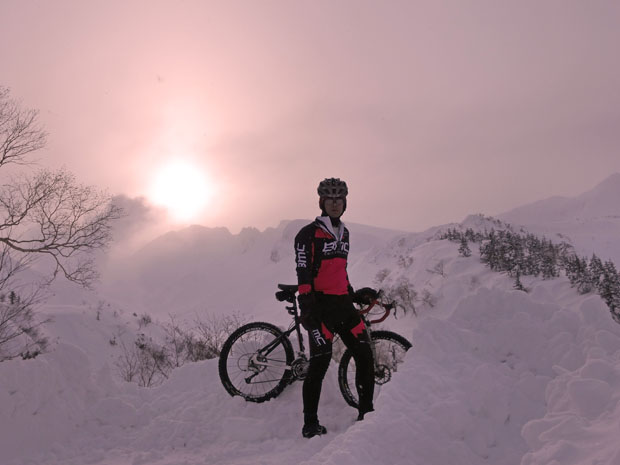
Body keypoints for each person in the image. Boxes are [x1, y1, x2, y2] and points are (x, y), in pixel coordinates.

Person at [294, 177, 376, 438]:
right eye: (329, 200)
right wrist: (307, 306)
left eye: (338, 200)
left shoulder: (345, 233)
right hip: (320, 308)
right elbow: (303, 272)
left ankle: (367, 414)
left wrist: (354, 293)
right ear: (321, 202)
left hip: (342, 305)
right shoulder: (307, 234)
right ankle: (310, 424)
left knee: (364, 356)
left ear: (345, 203)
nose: (334, 204)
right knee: (320, 363)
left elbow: (340, 270)